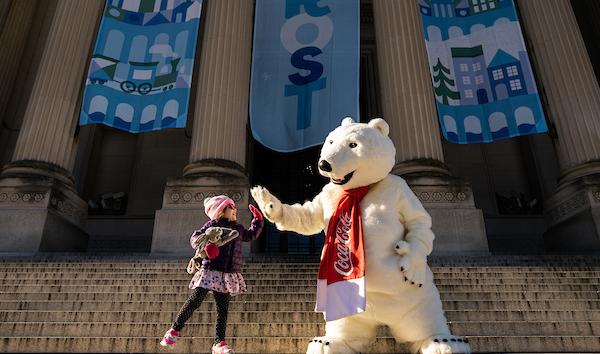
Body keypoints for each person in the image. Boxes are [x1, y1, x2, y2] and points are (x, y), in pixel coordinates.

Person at [160, 195, 264, 354]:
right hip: (210, 270)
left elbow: (251, 235)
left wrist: (257, 220)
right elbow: (196, 238)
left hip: (228, 273)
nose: (235, 209)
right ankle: (174, 330)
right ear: (221, 211)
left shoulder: (238, 228)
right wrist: (208, 244)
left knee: (223, 309)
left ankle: (219, 343)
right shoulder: (212, 225)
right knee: (195, 300)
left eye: (235, 207)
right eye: (231, 207)